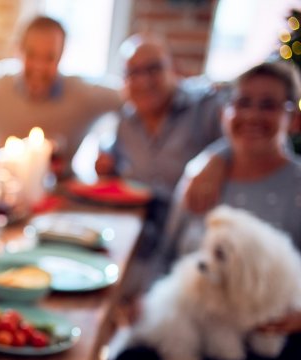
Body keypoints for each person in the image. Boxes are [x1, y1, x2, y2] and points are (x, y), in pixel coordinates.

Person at [66, 61, 301, 360]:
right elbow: (170, 253)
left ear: (292, 117)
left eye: (269, 105)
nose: (253, 115)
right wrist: (143, 298)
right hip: (196, 321)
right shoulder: (204, 171)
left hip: (277, 342)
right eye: (244, 103)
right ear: (225, 113)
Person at [96, 33, 227, 302]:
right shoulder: (126, 121)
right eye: (134, 73)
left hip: (194, 247)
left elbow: (244, 129)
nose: (143, 81)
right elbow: (112, 153)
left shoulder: (205, 106)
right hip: (141, 243)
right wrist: (105, 156)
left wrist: (217, 157)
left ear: (174, 68)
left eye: (154, 68)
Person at [0, 15, 121, 178]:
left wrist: (109, 147)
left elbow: (131, 100)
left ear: (61, 56)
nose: (38, 67)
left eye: (49, 57)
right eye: (32, 55)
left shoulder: (83, 94)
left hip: (62, 205)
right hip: (1, 200)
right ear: (18, 50)